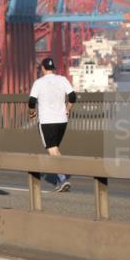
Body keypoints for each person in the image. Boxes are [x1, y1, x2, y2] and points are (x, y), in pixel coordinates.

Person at [29, 57, 77, 192]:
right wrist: (67, 109)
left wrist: (32, 112)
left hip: (46, 121)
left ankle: (63, 179)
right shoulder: (62, 80)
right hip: (62, 121)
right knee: (55, 149)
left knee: (52, 150)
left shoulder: (38, 83)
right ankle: (59, 181)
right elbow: (73, 97)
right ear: (53, 68)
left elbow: (32, 101)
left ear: (43, 68)